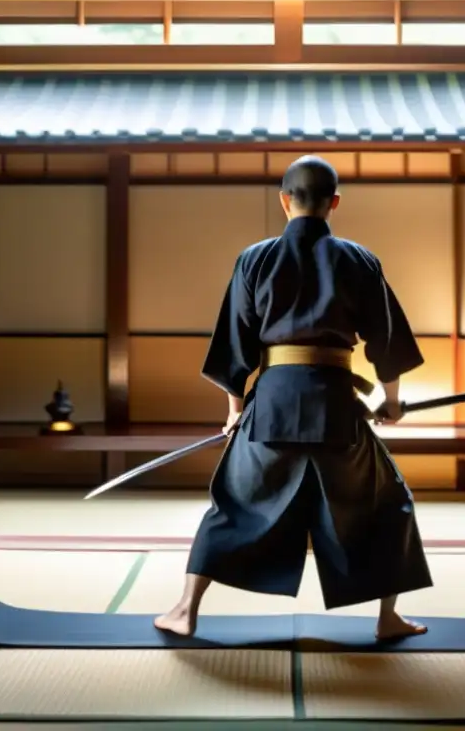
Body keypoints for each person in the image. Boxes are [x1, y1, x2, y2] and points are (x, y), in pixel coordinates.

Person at [154, 155, 432, 641]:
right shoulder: (358, 259)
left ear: (284, 201)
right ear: (334, 203)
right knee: (387, 503)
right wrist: (392, 401)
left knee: (234, 505)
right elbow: (386, 341)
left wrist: (235, 412)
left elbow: (235, 343)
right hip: (335, 407)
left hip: (272, 406)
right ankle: (387, 619)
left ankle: (184, 609)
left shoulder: (254, 258)